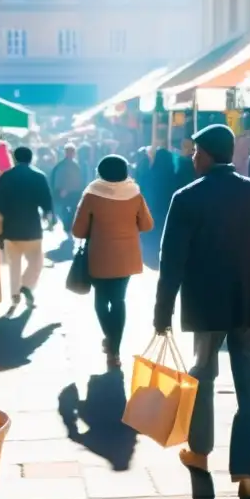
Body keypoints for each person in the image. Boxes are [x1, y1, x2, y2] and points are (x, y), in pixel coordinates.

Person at [154, 124, 250, 499]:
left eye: (196, 152)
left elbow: (171, 262)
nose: (192, 157)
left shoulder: (186, 197)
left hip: (205, 304)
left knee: (202, 373)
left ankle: (199, 452)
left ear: (207, 154)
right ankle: (248, 472)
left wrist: (162, 312)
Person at [72, 155, 154, 367]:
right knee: (119, 300)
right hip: (126, 256)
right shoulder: (134, 193)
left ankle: (110, 340)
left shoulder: (92, 193)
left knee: (101, 300)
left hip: (99, 255)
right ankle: (115, 350)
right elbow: (147, 225)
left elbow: (78, 230)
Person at [0, 146, 54, 309]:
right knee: (36, 262)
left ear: (14, 158)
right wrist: (49, 219)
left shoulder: (6, 176)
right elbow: (47, 201)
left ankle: (15, 295)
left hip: (10, 227)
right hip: (32, 227)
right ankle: (26, 286)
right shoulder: (38, 176)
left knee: (14, 264)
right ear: (31, 158)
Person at [51, 143, 83, 240]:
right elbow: (58, 178)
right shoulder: (62, 165)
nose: (71, 153)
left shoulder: (76, 164)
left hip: (75, 192)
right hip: (65, 192)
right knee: (65, 210)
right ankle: (67, 227)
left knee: (73, 210)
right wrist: (61, 189)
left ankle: (69, 227)